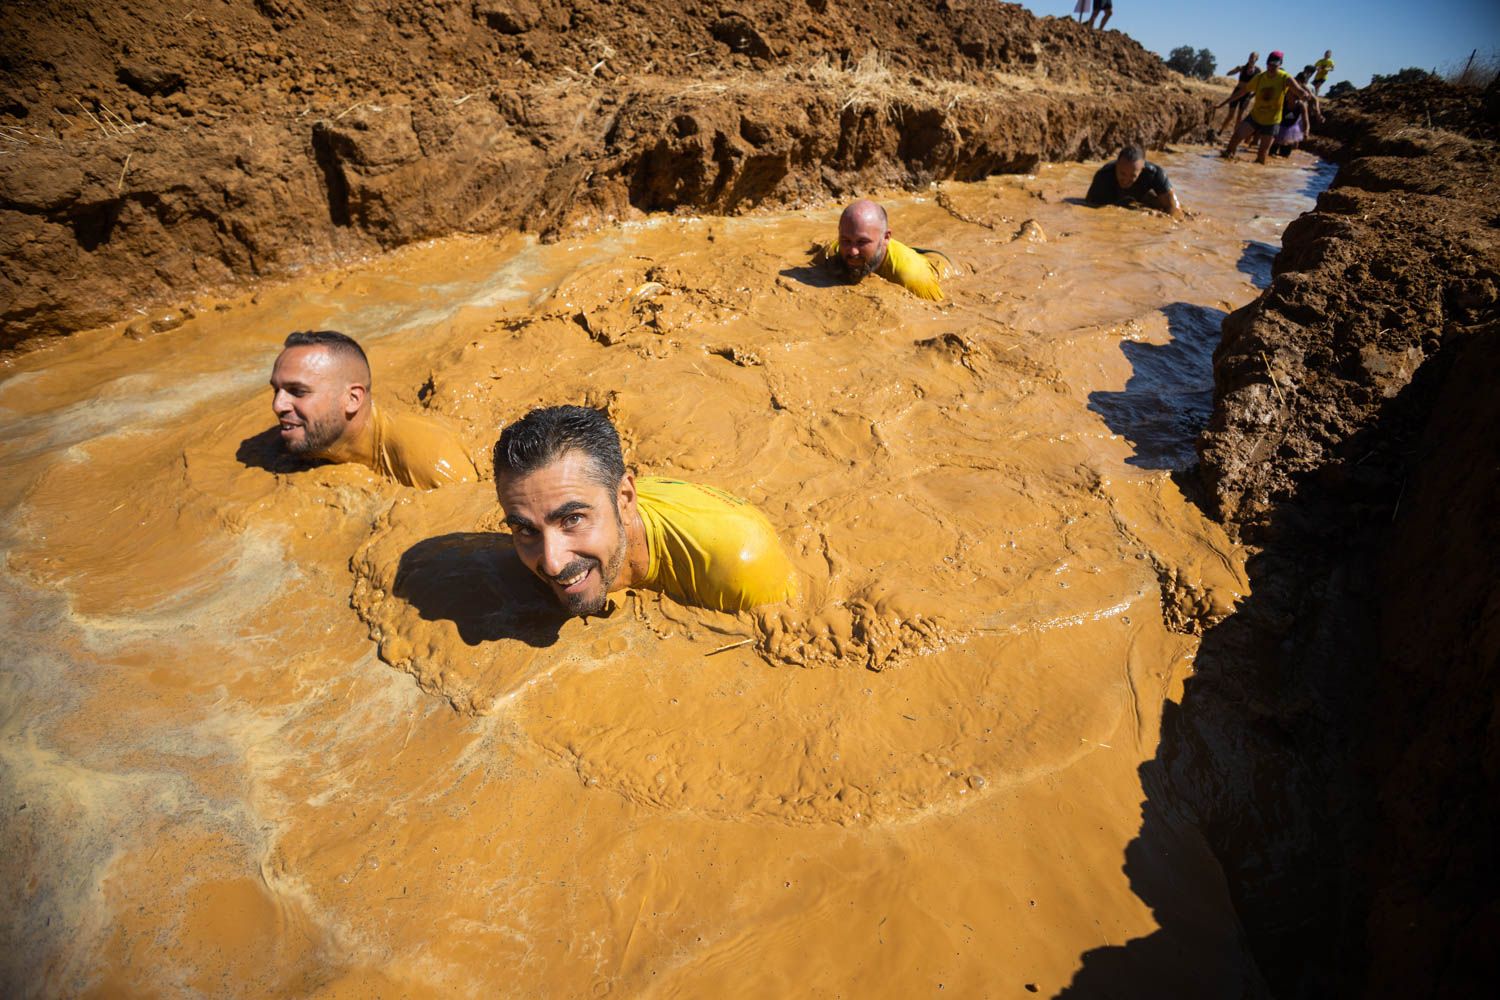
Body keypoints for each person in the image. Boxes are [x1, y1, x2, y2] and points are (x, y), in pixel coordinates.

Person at [493, 405, 798, 616]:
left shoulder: (740, 569)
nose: (554, 564)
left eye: (572, 520)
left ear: (625, 500)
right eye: (526, 529)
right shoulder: (545, 543)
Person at [268, 330, 477, 489]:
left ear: (352, 398)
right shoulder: (304, 440)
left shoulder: (428, 461)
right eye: (276, 390)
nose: (278, 406)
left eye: (298, 391)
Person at [819, 198, 949, 301]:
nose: (852, 251)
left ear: (886, 237)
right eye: (846, 240)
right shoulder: (835, 251)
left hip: (938, 264)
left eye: (862, 242)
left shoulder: (914, 279)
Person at [1220, 51, 1319, 164]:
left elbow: (1298, 90)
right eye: (1270, 64)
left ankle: (1251, 180)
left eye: (1275, 65)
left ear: (1280, 65)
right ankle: (1226, 163)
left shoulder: (1285, 78)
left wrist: (1304, 95)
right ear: (1267, 63)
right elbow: (1242, 92)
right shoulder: (1260, 77)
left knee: (1262, 155)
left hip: (1272, 121)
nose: (1271, 67)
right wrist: (1223, 103)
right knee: (1235, 139)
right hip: (1255, 116)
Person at [1084, 145, 1184, 216]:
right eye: (1122, 173)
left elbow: (1174, 208)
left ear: (1142, 170)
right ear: (1117, 165)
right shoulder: (1103, 176)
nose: (1126, 180)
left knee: (1160, 204)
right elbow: (1088, 207)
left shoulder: (1155, 174)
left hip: (1140, 195)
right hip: (1112, 198)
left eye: (1133, 175)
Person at [1271, 70, 1314, 157]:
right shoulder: (1283, 101)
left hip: (1291, 130)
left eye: (1293, 94)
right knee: (1271, 153)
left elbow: (1306, 121)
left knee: (1285, 155)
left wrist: (1306, 132)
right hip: (1279, 127)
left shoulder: (1301, 105)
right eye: (1289, 92)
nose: (1290, 94)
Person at [1217, 52, 1261, 134]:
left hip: (1247, 94)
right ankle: (1221, 130)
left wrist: (1251, 96)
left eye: (1253, 57)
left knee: (1239, 117)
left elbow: (1260, 85)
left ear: (1257, 59)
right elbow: (1229, 73)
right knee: (1230, 115)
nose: (1251, 58)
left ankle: (1235, 134)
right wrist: (1235, 70)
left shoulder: (1258, 71)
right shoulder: (1242, 67)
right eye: (1250, 56)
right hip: (1237, 91)